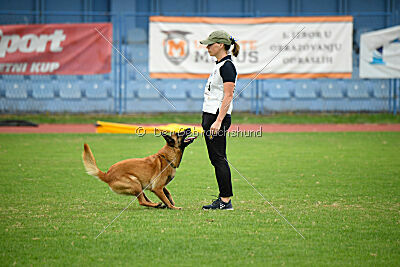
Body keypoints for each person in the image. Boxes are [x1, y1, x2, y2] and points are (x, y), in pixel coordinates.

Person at [199, 30, 240, 210]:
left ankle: (225, 201)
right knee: (216, 159)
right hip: (210, 116)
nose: (207, 47)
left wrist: (218, 121)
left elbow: (228, 96)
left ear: (221, 45)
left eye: (210, 44)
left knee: (219, 159)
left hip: (217, 117)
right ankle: (223, 199)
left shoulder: (227, 66)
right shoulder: (219, 65)